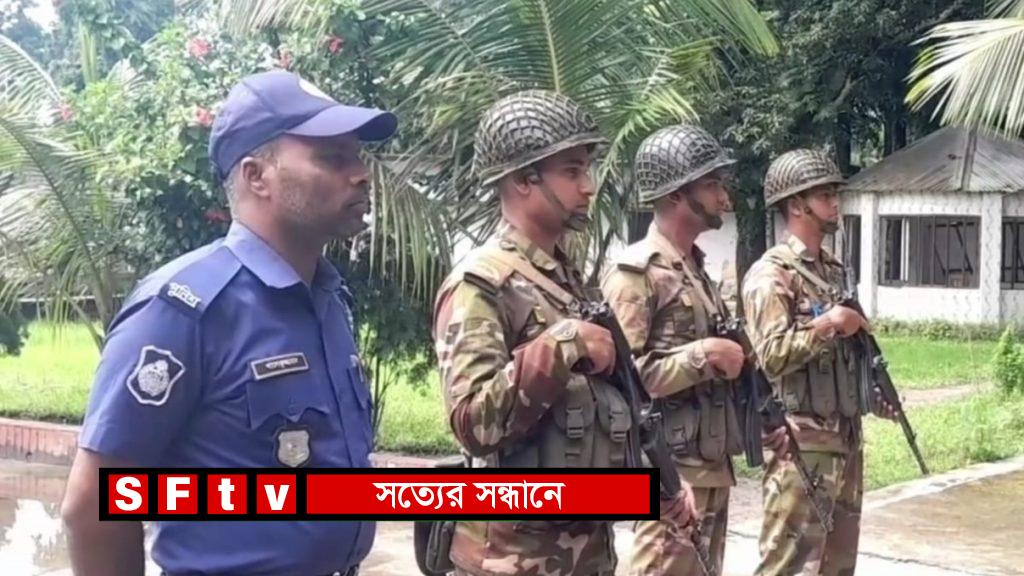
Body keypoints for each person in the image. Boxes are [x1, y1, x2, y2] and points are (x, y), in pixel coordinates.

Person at [60, 70, 397, 576]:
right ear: (256, 176)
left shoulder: (327, 297)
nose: (361, 175)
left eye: (358, 156)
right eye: (333, 158)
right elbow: (93, 507)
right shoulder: (184, 309)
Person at [432, 90, 697, 576]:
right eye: (572, 172)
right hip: (510, 560)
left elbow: (617, 409)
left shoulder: (568, 281)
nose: (588, 186)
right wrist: (563, 344)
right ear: (522, 180)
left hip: (586, 552)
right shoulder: (481, 284)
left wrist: (660, 485)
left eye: (586, 170)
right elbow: (472, 423)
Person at [601, 124, 787, 575]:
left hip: (710, 464)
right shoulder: (636, 274)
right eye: (712, 185)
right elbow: (618, 384)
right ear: (675, 195)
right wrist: (705, 356)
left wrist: (760, 418)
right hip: (671, 474)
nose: (723, 197)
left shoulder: (695, 270)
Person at [741, 149, 895, 576]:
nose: (835, 203)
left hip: (845, 438)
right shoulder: (771, 275)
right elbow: (771, 356)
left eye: (834, 194)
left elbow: (852, 352)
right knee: (788, 566)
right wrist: (828, 324)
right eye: (825, 195)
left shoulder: (834, 270)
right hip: (800, 444)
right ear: (796, 206)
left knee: (838, 565)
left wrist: (873, 392)